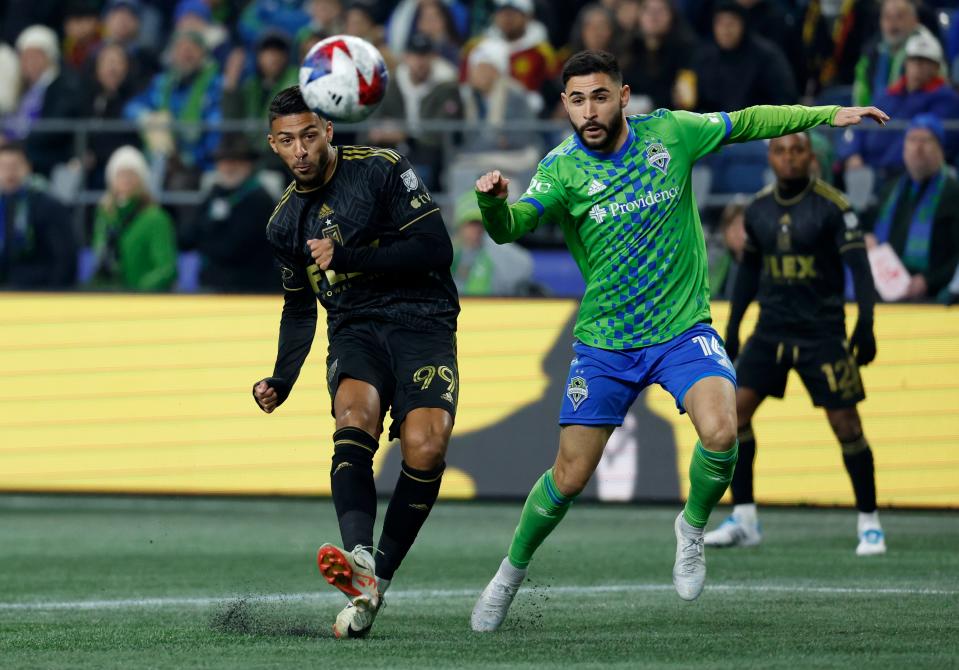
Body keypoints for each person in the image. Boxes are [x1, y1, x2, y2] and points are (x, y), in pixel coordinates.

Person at [469, 49, 888, 632]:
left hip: (682, 330)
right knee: (568, 477)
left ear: (622, 95)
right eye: (576, 99)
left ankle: (690, 528)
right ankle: (508, 574)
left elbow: (748, 121)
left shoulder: (670, 132)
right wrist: (492, 203)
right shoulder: (560, 168)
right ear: (564, 105)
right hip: (607, 342)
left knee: (721, 429)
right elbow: (512, 228)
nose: (588, 110)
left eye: (599, 96)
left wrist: (821, 115)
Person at [251, 86, 460, 639]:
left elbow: (436, 249)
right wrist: (282, 376)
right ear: (273, 145)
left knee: (426, 445)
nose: (301, 149)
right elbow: (299, 308)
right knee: (353, 415)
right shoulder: (283, 224)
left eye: (310, 135)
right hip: (355, 327)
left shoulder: (382, 169)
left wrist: (348, 256)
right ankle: (359, 555)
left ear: (329, 130)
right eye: (288, 140)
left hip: (423, 319)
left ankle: (375, 583)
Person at [703, 132, 885, 556]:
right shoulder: (759, 209)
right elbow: (748, 273)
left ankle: (870, 522)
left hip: (822, 334)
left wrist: (866, 323)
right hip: (770, 331)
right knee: (734, 416)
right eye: (780, 151)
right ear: (770, 156)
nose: (788, 158)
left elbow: (860, 267)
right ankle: (745, 518)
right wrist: (732, 329)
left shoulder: (834, 206)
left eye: (797, 150)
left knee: (847, 426)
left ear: (811, 157)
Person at [865, 115, 959, 301]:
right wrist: (868, 239)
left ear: (940, 149)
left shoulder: (953, 192)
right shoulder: (891, 190)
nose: (918, 147)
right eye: (912, 140)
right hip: (886, 290)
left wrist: (928, 281)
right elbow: (868, 228)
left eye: (925, 140)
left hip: (934, 295)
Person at [841, 30, 959, 174]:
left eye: (924, 62)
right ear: (906, 64)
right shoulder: (887, 94)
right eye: (913, 60)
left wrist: (882, 169)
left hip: (903, 173)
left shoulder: (946, 99)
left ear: (936, 67)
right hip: (864, 170)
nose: (917, 66)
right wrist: (851, 154)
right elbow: (859, 125)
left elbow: (924, 139)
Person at [179, 135, 277, 293]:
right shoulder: (215, 192)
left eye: (235, 162)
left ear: (248, 165)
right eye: (223, 162)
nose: (228, 167)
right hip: (214, 284)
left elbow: (233, 248)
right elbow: (188, 236)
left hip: (250, 288)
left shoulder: (259, 199)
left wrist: (204, 239)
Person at [89, 145, 177, 292]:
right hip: (109, 300)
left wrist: (137, 291)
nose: (126, 180)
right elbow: (99, 258)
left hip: (143, 302)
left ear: (142, 180)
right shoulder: (105, 215)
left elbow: (166, 269)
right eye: (120, 174)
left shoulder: (155, 218)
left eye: (132, 175)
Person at [0, 143, 76, 289]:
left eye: (15, 166)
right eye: (3, 167)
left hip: (38, 294)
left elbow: (65, 258)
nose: (9, 173)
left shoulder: (47, 205)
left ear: (28, 167)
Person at [451, 191, 534, 296]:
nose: (477, 230)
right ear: (460, 226)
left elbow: (525, 267)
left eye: (481, 225)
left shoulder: (497, 252)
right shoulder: (452, 251)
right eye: (472, 224)